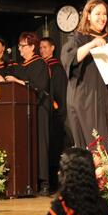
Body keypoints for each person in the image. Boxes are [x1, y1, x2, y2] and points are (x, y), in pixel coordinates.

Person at [61, 0, 108, 148]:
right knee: (92, 146)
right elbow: (69, 59)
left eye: (105, 14)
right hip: (86, 100)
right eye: (98, 13)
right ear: (88, 15)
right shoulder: (78, 37)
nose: (102, 18)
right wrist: (92, 44)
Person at [5, 32, 51, 195]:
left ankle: (44, 181)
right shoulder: (20, 66)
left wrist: (16, 81)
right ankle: (27, 180)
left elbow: (39, 86)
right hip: (22, 112)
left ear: (32, 47)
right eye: (19, 46)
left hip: (39, 110)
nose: (20, 49)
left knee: (40, 144)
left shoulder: (39, 64)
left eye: (23, 46)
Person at [40, 147, 108, 215]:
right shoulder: (104, 207)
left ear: (67, 175)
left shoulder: (59, 212)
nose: (58, 172)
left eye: (62, 169)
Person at [40, 37, 70, 189]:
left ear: (52, 48)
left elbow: (59, 92)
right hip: (47, 113)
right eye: (40, 47)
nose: (42, 50)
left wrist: (56, 107)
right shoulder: (42, 66)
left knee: (56, 148)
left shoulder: (56, 67)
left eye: (45, 47)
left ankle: (56, 183)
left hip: (56, 114)